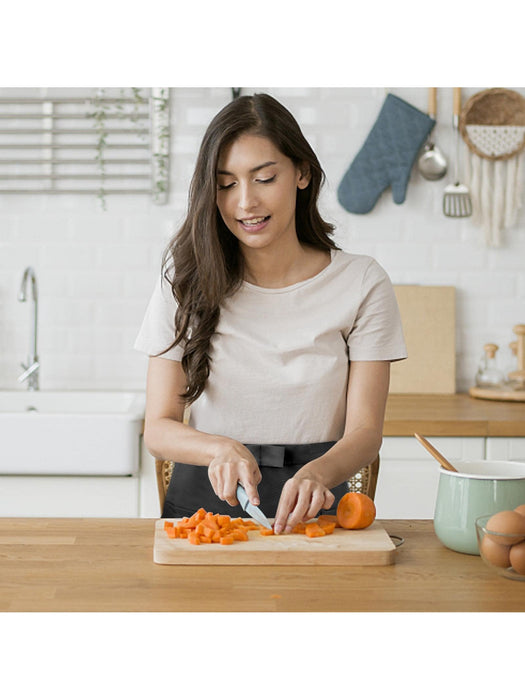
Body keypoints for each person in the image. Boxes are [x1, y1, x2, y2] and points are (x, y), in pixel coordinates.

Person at [134, 93, 407, 534]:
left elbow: (365, 432)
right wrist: (220, 449)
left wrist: (320, 472)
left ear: (301, 173)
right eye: (226, 184)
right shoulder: (183, 281)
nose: (245, 203)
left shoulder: (362, 282)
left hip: (315, 499)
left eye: (263, 178)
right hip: (205, 504)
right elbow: (159, 429)